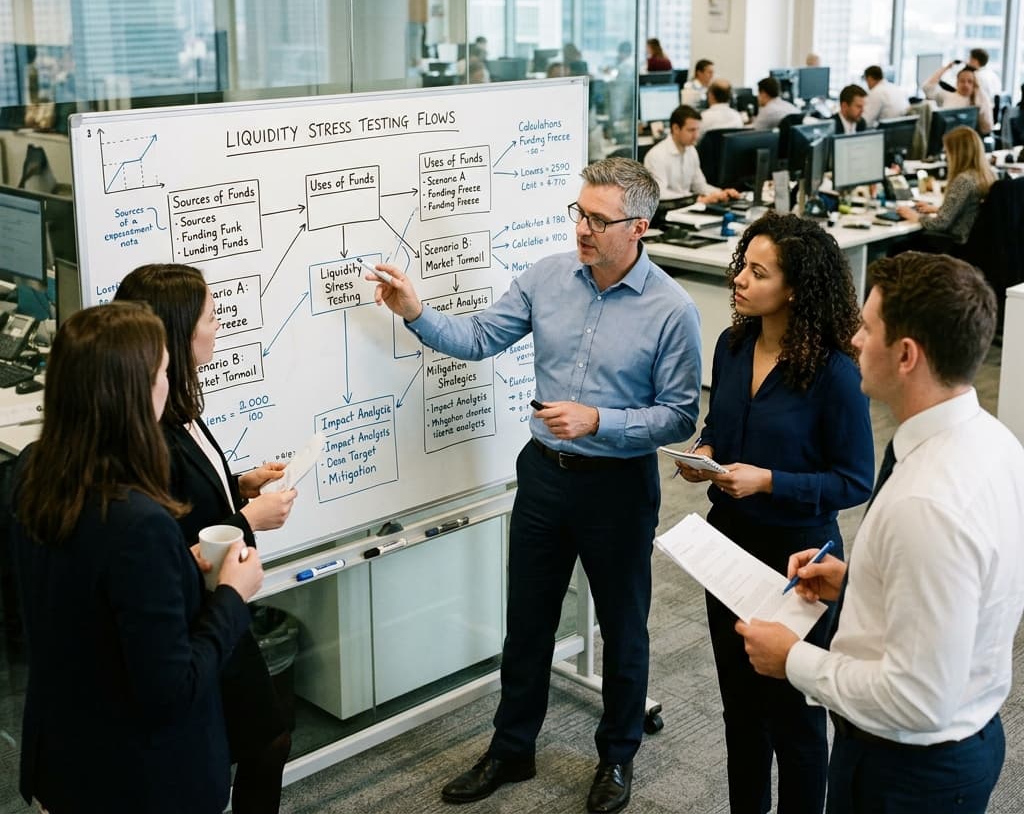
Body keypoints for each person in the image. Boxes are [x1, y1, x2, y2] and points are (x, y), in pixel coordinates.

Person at [368, 157, 702, 813]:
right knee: (527, 623)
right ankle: (511, 748)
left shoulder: (672, 309)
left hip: (618, 486)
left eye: (599, 220)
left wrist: (599, 420)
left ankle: (617, 756)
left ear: (638, 228)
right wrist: (416, 311)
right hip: (545, 476)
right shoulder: (548, 277)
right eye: (579, 213)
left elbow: (680, 415)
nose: (582, 229)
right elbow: (479, 337)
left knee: (623, 627)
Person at [737, 252, 1024, 814]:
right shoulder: (994, 441)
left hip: (906, 769)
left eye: (868, 329)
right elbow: (965, 587)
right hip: (957, 743)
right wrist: (861, 583)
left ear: (907, 355)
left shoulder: (928, 504)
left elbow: (918, 700)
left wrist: (792, 659)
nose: (854, 340)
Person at [10, 302, 263, 814]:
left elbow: (90, 597)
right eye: (164, 373)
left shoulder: (34, 471)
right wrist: (232, 596)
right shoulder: (137, 523)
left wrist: (179, 567)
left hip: (65, 757)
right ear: (134, 394)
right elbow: (172, 689)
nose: (171, 384)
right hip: (139, 779)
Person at [674, 212, 874, 814]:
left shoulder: (835, 372)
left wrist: (768, 481)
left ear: (794, 289)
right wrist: (705, 453)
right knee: (739, 709)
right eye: (743, 265)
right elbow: (719, 425)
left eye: (758, 273)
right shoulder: (732, 346)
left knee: (795, 720)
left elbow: (854, 480)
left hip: (797, 559)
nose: (739, 279)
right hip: (726, 548)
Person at [115, 264, 297, 814]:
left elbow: (186, 496)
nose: (220, 327)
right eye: (211, 318)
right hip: (198, 614)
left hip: (215, 606)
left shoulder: (179, 408)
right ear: (177, 333)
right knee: (258, 743)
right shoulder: (148, 433)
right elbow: (169, 543)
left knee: (266, 740)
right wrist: (249, 520)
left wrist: (238, 484)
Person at [895, 124, 995, 247]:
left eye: (948, 152)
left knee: (898, 246)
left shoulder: (964, 180)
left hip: (956, 244)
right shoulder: (987, 175)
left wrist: (915, 216)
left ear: (957, 154)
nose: (946, 157)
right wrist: (939, 209)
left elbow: (940, 224)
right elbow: (970, 210)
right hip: (975, 242)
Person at [644, 104, 740, 204]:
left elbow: (700, 186)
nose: (696, 136)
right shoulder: (656, 156)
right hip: (670, 210)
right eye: (691, 130)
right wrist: (695, 200)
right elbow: (660, 194)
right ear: (676, 128)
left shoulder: (691, 150)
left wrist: (721, 193)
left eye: (697, 130)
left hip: (689, 206)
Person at [923, 61, 993, 135]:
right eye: (962, 81)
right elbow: (927, 87)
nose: (966, 84)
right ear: (957, 82)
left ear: (974, 84)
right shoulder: (946, 96)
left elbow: (987, 128)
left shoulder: (979, 99)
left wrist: (979, 93)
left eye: (970, 81)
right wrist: (947, 67)